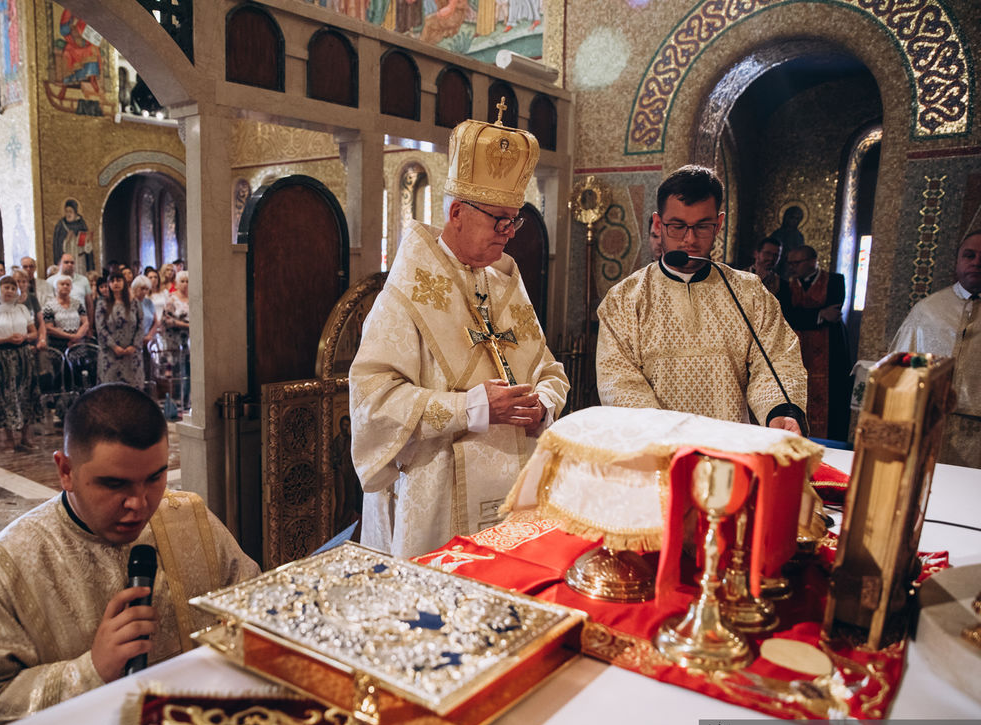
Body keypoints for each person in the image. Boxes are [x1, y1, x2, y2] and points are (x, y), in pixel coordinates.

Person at [0, 383, 259, 725]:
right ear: (65, 470)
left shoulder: (189, 518)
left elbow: (257, 613)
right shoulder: (6, 568)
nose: (139, 504)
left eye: (155, 478)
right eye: (114, 483)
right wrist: (89, 671)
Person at [349, 112, 569, 558]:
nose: (508, 234)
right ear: (456, 213)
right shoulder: (407, 292)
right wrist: (469, 408)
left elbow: (550, 370)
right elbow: (372, 401)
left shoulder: (505, 281)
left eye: (515, 221)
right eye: (499, 221)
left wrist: (541, 405)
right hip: (435, 495)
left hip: (514, 486)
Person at [596, 165, 807, 434]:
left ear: (718, 224)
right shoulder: (624, 300)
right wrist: (670, 437)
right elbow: (619, 381)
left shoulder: (750, 293)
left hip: (729, 450)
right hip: (658, 450)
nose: (690, 239)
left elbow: (777, 360)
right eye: (678, 226)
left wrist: (781, 411)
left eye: (702, 226)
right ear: (659, 225)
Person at [890, 230, 981, 468]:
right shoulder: (927, 311)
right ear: (957, 261)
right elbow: (900, 366)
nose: (976, 262)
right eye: (969, 255)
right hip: (929, 424)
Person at [779, 245, 849, 440]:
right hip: (798, 349)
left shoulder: (835, 281)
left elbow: (833, 314)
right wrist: (819, 314)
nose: (792, 267)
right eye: (790, 263)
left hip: (830, 349)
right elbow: (787, 316)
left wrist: (804, 316)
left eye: (797, 262)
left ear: (812, 261)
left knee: (830, 397)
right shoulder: (786, 286)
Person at [0, 276, 38, 452]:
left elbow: (33, 333)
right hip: (3, 356)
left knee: (25, 393)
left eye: (13, 287)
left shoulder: (22, 309)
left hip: (23, 355)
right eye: (6, 287)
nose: (10, 291)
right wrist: (7, 338)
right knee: (6, 395)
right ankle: (9, 438)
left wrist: (24, 337)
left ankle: (26, 436)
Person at [95, 269, 143, 386]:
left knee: (133, 392)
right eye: (112, 281)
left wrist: (134, 345)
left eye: (119, 280)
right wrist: (114, 347)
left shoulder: (134, 303)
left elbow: (140, 326)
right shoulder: (102, 304)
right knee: (111, 392)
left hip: (131, 354)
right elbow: (100, 329)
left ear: (124, 283)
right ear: (109, 284)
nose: (116, 283)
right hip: (110, 355)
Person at [158, 271, 189, 407]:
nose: (185, 284)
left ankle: (187, 401)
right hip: (174, 340)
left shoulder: (194, 297)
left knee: (188, 370)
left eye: (187, 281)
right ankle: (175, 403)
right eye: (182, 281)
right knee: (177, 371)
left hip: (190, 340)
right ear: (176, 283)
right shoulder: (171, 299)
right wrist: (186, 325)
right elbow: (167, 320)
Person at [42, 274, 88, 352]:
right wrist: (70, 336)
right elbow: (49, 328)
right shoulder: (49, 306)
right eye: (62, 284)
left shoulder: (77, 304)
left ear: (71, 287)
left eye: (68, 284)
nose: (65, 286)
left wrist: (77, 337)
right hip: (57, 347)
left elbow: (86, 322)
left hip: (77, 343)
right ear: (56, 287)